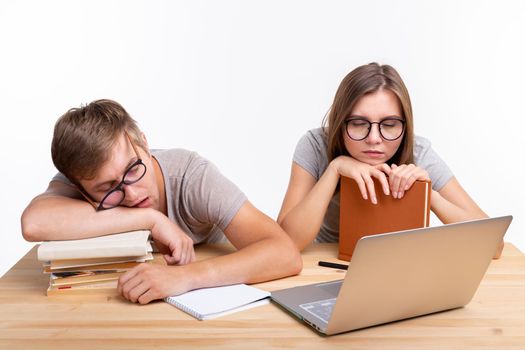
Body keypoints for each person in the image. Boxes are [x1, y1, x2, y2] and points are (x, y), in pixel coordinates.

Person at [21, 99, 302, 304]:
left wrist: (186, 277)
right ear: (80, 187)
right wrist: (151, 219)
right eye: (109, 187)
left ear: (143, 142)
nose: (131, 194)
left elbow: (284, 253)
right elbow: (33, 223)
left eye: (133, 168)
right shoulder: (85, 174)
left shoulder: (191, 174)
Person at [277, 62, 503, 258]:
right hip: (329, 265)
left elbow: (494, 245)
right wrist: (335, 169)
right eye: (358, 123)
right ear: (340, 122)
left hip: (400, 267)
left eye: (389, 125)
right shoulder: (316, 145)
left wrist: (428, 195)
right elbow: (286, 242)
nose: (374, 139)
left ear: (405, 126)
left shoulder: (420, 153)